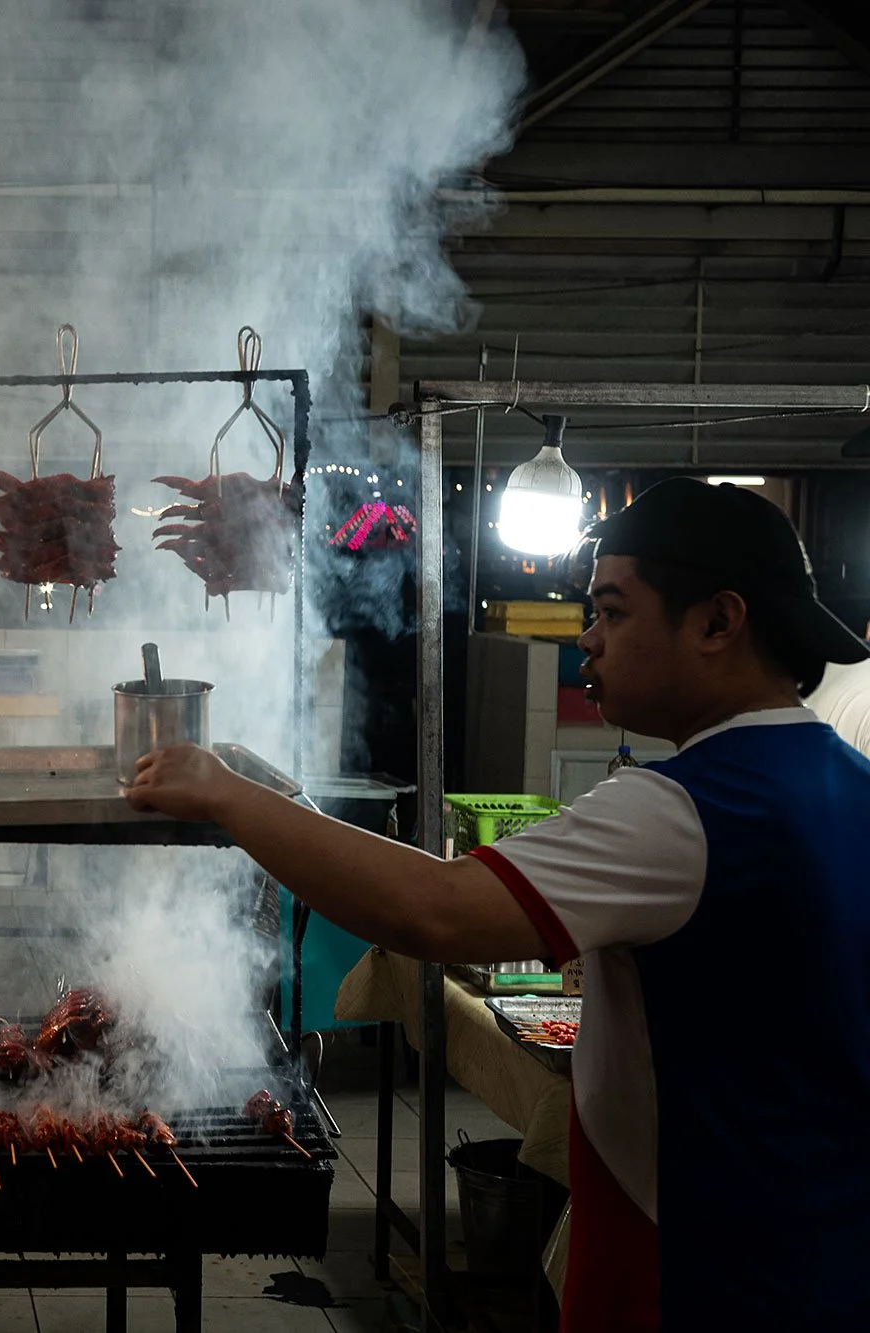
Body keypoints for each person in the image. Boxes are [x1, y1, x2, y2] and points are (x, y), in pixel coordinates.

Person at [127, 478, 870, 1331]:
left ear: (717, 621)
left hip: (698, 1280)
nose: (586, 641)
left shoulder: (688, 807)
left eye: (613, 612)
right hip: (826, 1260)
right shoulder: (850, 783)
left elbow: (434, 911)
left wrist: (225, 793)